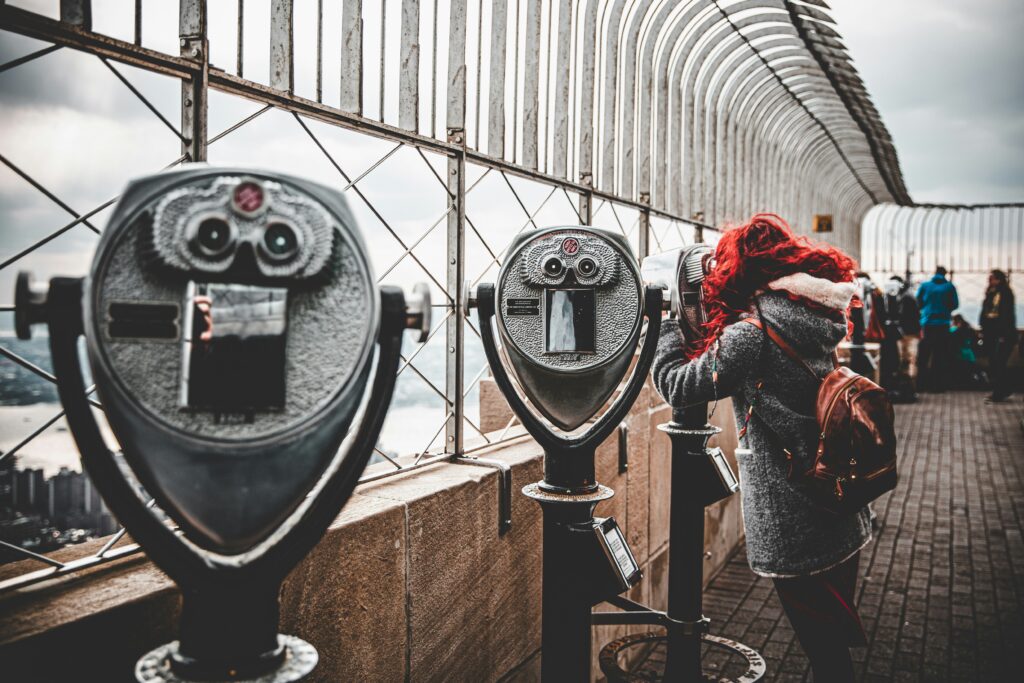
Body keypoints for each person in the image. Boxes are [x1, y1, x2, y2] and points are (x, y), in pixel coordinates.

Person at [652, 214, 870, 683]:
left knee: (823, 643)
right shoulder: (817, 313)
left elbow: (679, 385)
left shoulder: (753, 332)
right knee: (830, 634)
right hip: (835, 491)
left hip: (793, 503)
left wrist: (667, 325)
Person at [915, 266, 958, 392]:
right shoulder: (949, 287)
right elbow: (955, 304)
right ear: (945, 274)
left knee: (924, 356)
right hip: (943, 324)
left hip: (927, 324)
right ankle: (937, 386)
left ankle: (921, 385)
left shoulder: (925, 286)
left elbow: (918, 302)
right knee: (940, 356)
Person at [979, 269, 1017, 402]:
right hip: (992, 334)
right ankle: (1003, 389)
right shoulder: (991, 293)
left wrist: (1003, 334)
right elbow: (985, 312)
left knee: (999, 363)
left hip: (1002, 334)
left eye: (992, 278)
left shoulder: (1005, 293)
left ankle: (1000, 392)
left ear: (998, 279)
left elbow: (1006, 315)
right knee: (995, 363)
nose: (989, 280)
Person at [949, 313, 984, 389]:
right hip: (971, 356)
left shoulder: (955, 331)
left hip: (960, 356)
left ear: (955, 322)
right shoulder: (969, 329)